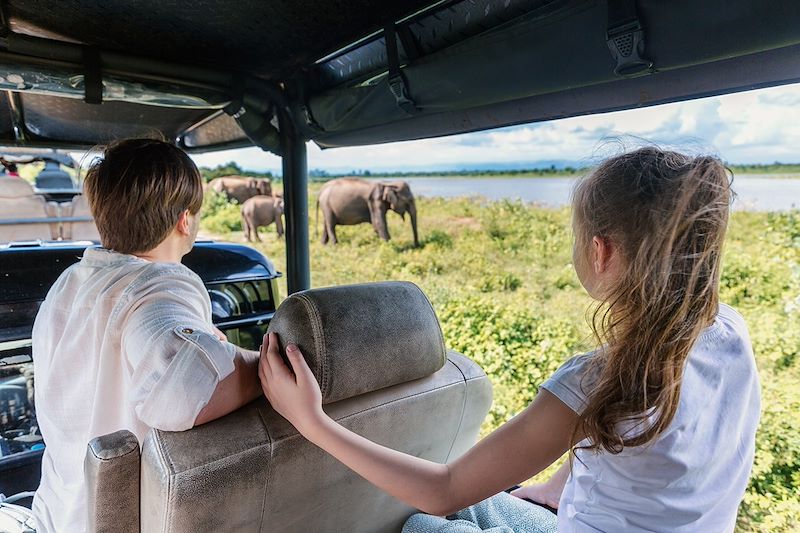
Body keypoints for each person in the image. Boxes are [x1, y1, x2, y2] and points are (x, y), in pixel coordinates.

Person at [258, 147, 760, 532]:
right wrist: (551, 487)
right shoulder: (731, 334)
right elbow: (632, 446)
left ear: (600, 252)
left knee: (422, 525)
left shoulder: (599, 377)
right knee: (494, 501)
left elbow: (444, 490)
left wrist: (312, 421)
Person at [31, 139, 261, 533]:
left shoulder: (72, 281)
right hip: (122, 521)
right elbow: (180, 395)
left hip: (59, 511)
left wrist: (204, 348)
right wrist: (256, 364)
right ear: (184, 220)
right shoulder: (159, 285)